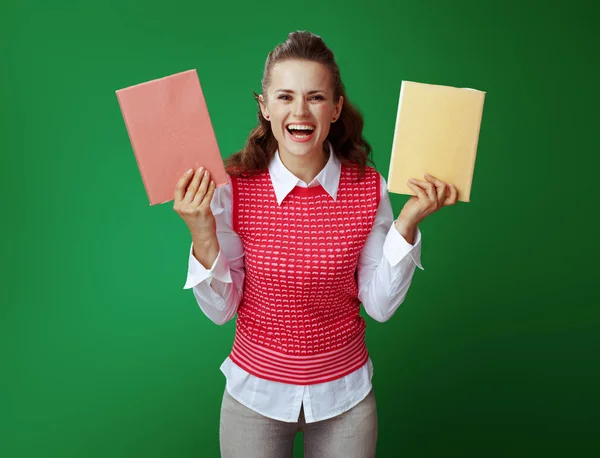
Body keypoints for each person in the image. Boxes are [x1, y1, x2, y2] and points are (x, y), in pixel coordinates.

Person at [174, 31, 458, 458]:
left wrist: (408, 221)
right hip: (255, 397)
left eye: (316, 97)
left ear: (336, 107)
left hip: (345, 399)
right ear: (265, 107)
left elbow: (379, 306)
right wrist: (201, 231)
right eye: (285, 96)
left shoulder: (367, 187)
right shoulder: (232, 188)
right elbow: (220, 311)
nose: (300, 111)